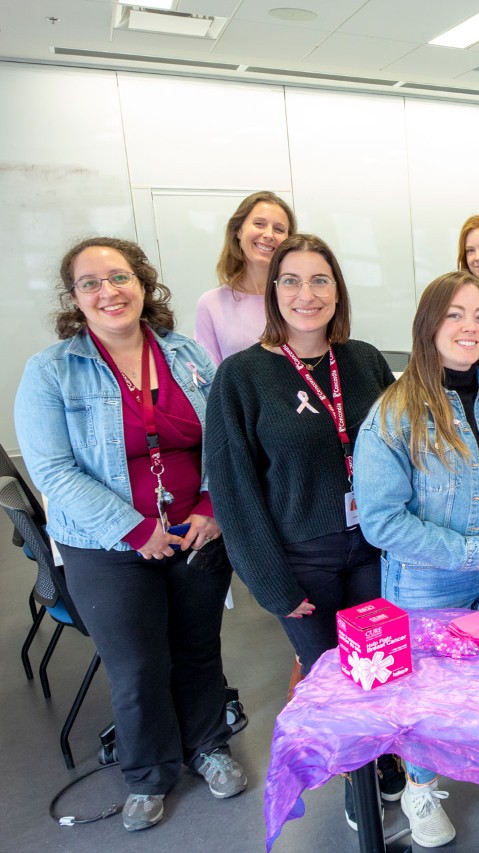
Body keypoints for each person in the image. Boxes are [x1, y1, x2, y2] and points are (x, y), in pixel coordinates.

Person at [15, 237, 244, 832]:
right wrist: (134, 528)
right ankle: (147, 773)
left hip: (196, 534)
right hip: (106, 546)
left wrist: (214, 506)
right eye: (90, 283)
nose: (107, 291)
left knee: (198, 650)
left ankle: (209, 747)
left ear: (142, 283)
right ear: (75, 298)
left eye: (118, 277)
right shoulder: (52, 370)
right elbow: (53, 472)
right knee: (137, 664)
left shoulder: (188, 355)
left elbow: (224, 440)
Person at [353, 271, 479, 848]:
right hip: (427, 580)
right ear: (428, 325)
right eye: (454, 315)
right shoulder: (394, 415)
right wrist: (470, 549)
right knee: (430, 696)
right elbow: (381, 523)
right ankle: (420, 786)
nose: (469, 327)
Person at [203, 233, 400, 827]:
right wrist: (273, 584)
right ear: (272, 291)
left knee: (380, 671)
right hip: (300, 559)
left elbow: (397, 451)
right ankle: (354, 780)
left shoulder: (363, 360)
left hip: (371, 550)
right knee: (333, 681)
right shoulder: (242, 377)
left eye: (320, 280)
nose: (306, 294)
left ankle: (383, 763)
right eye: (291, 280)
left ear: (337, 291)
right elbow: (234, 493)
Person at [195, 191, 297, 364]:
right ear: (238, 231)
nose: (269, 235)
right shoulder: (211, 304)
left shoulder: (300, 298)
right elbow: (210, 379)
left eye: (279, 229)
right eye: (259, 224)